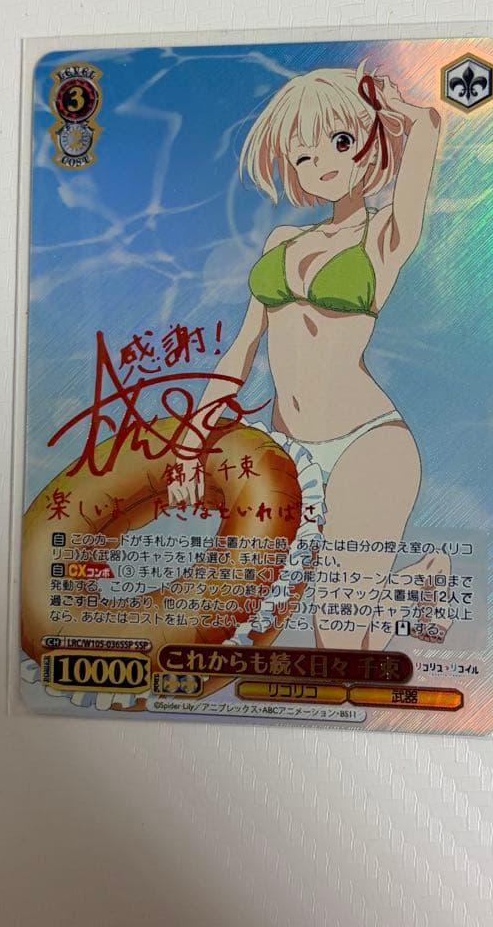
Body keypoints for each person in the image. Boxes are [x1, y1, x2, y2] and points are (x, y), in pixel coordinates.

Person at [172, 61, 444, 650]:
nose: (322, 164)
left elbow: (427, 129)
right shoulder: (282, 241)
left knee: (335, 642)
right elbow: (241, 351)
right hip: (287, 448)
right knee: (316, 634)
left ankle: (407, 588)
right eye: (303, 155)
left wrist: (397, 110)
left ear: (369, 142)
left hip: (366, 444)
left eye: (340, 142)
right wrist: (189, 444)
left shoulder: (384, 237)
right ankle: (415, 585)